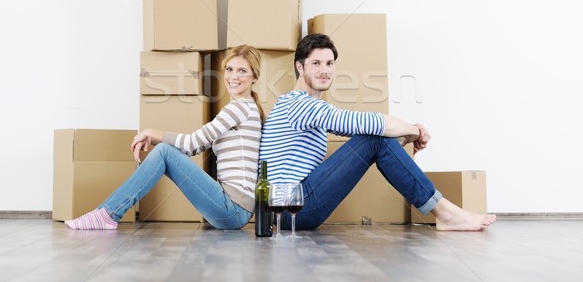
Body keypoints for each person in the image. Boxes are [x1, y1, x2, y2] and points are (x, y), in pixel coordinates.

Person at [259, 34, 496, 231]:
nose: (324, 70)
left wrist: (401, 138)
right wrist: (414, 129)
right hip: (289, 209)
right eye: (316, 63)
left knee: (375, 139)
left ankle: (445, 212)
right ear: (300, 67)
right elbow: (369, 125)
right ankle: (444, 212)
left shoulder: (307, 108)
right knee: (373, 135)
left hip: (296, 206)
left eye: (329, 63)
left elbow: (367, 145)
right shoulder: (299, 104)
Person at [66, 44, 264, 230]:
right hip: (233, 210)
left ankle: (107, 214)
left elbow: (191, 142)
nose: (233, 76)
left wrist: (151, 132)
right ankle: (107, 214)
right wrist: (155, 139)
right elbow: (194, 149)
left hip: (233, 209)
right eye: (229, 69)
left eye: (242, 71)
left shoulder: (239, 108)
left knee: (163, 152)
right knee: (163, 151)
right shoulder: (245, 108)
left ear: (254, 77)